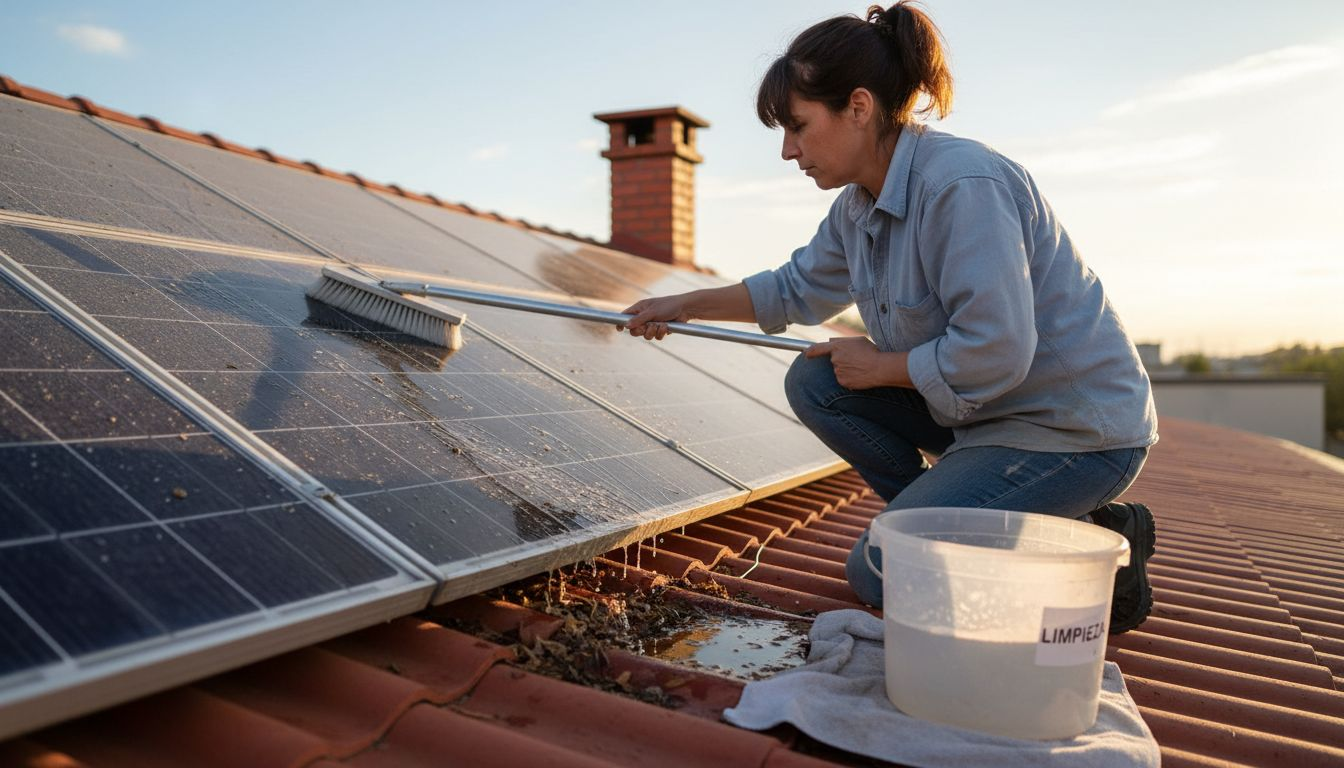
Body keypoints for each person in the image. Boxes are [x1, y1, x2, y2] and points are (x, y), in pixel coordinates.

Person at [620, 2, 1158, 634]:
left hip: (1070, 434)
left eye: (797, 126)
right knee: (816, 383)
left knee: (881, 573)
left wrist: (882, 366)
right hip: (982, 419)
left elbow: (999, 350)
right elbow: (796, 288)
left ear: (858, 106)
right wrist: (682, 305)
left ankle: (1085, 540)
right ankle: (949, 533)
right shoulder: (857, 208)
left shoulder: (962, 186)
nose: (789, 151)